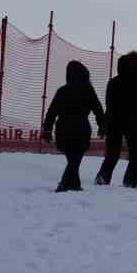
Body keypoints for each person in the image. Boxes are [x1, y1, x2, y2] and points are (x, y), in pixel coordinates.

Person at [95, 50, 137, 188]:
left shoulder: (113, 82)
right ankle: (130, 182)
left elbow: (108, 105)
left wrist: (104, 125)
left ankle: (103, 177)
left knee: (112, 153)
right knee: (135, 154)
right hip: (131, 121)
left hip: (114, 120)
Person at [41, 60, 106, 192]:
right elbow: (98, 110)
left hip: (63, 131)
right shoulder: (88, 90)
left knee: (73, 158)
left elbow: (52, 112)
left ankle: (74, 184)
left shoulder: (62, 91)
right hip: (81, 130)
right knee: (75, 159)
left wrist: (47, 130)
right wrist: (102, 126)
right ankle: (65, 184)